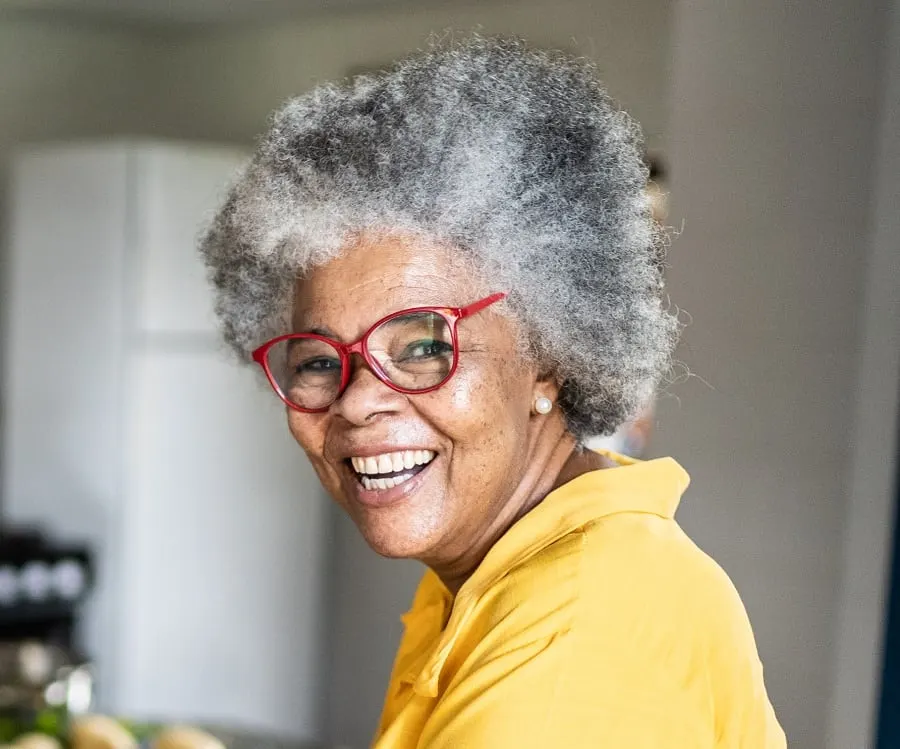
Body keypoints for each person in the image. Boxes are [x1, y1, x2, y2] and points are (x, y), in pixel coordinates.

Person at [200, 35, 786, 748]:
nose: (355, 400)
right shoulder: (498, 570)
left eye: (422, 345)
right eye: (318, 360)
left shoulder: (575, 638)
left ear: (548, 355)